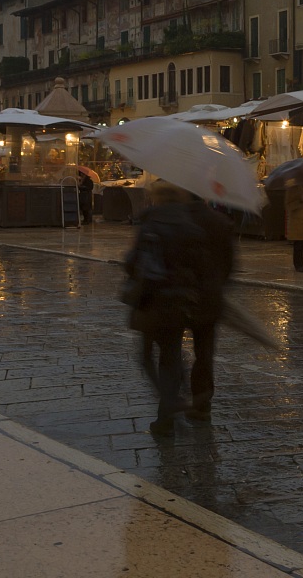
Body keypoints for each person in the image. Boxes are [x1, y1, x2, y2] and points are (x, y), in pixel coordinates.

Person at [122, 181, 207, 438]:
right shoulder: (191, 227)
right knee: (170, 356)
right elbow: (200, 267)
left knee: (147, 356)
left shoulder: (150, 225)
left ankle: (169, 404)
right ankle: (166, 416)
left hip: (150, 300)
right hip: (177, 303)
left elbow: (133, 263)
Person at [182, 198, 235, 422]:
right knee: (204, 353)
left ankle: (170, 400)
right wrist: (217, 284)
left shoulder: (177, 220)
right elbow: (230, 264)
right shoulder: (220, 222)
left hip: (179, 294)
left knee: (169, 350)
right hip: (209, 296)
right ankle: (202, 403)